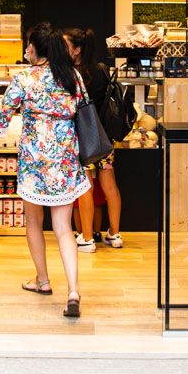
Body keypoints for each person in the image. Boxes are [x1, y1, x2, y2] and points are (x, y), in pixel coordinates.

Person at [0, 21, 91, 318]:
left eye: (28, 44)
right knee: (64, 228)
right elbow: (84, 111)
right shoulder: (72, 76)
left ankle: (42, 280)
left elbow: (0, 122)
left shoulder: (24, 79)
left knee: (33, 223)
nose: (26, 49)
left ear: (35, 49)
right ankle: (74, 290)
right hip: (64, 161)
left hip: (34, 163)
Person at [63, 27, 123, 251]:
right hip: (104, 136)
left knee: (85, 186)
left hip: (82, 137)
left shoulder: (70, 74)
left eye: (65, 46)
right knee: (110, 185)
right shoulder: (100, 69)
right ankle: (115, 235)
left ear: (77, 50)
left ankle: (87, 238)